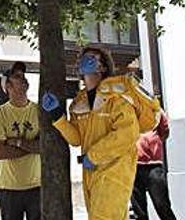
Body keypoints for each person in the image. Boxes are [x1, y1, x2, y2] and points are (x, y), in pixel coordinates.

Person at [41, 47, 140, 220]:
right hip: (92, 174)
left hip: (115, 171)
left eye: (91, 58)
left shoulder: (117, 97)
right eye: (83, 58)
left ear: (102, 67)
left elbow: (127, 135)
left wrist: (94, 156)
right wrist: (57, 115)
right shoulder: (80, 102)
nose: (84, 60)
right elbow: (77, 139)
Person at [0, 61, 40, 220]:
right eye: (17, 77)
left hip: (37, 186)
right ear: (8, 86)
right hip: (9, 188)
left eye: (23, 75)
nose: (23, 79)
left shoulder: (38, 111)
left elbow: (44, 147)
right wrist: (32, 146)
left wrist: (17, 142)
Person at [131, 110, 176, 220]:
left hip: (153, 166)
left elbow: (164, 130)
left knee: (162, 205)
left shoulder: (155, 109)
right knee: (139, 211)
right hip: (133, 166)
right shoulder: (127, 107)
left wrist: (153, 145)